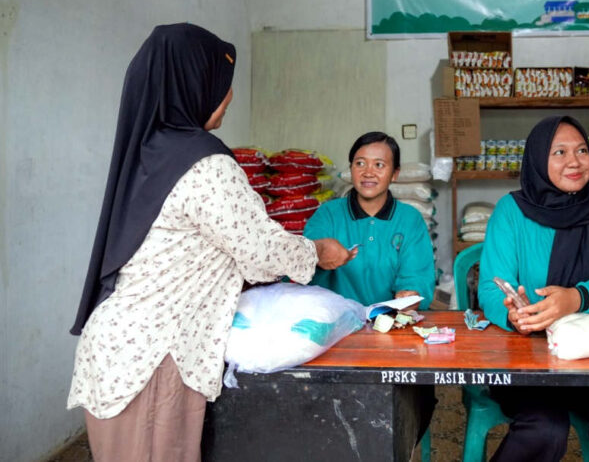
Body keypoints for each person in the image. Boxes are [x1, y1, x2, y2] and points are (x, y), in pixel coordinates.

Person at [67, 23, 348, 462]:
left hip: (119, 350)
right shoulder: (205, 163)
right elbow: (260, 253)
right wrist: (317, 252)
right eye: (222, 83)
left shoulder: (149, 152)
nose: (229, 96)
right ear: (192, 82)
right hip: (155, 360)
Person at [478, 115, 589, 462]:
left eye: (582, 150)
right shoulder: (511, 211)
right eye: (559, 152)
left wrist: (576, 298)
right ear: (538, 159)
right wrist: (514, 314)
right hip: (529, 356)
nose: (574, 161)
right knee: (544, 427)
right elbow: (490, 286)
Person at [303, 131, 435, 309]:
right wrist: (319, 252)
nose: (368, 173)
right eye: (360, 163)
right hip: (335, 322)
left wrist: (410, 294)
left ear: (395, 173)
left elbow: (417, 276)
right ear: (351, 169)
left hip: (390, 323)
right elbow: (302, 262)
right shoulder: (328, 214)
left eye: (379, 165)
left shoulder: (410, 219)